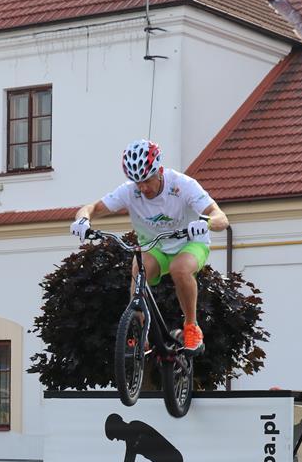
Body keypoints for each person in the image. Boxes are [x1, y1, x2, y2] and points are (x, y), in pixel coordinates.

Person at [70, 139, 229, 355]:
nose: (143, 188)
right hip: (155, 246)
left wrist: (206, 223)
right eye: (137, 182)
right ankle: (138, 332)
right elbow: (92, 208)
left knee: (180, 269)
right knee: (139, 270)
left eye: (146, 180)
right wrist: (82, 220)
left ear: (160, 171)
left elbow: (221, 217)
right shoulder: (130, 191)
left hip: (190, 243)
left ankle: (192, 327)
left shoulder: (183, 185)